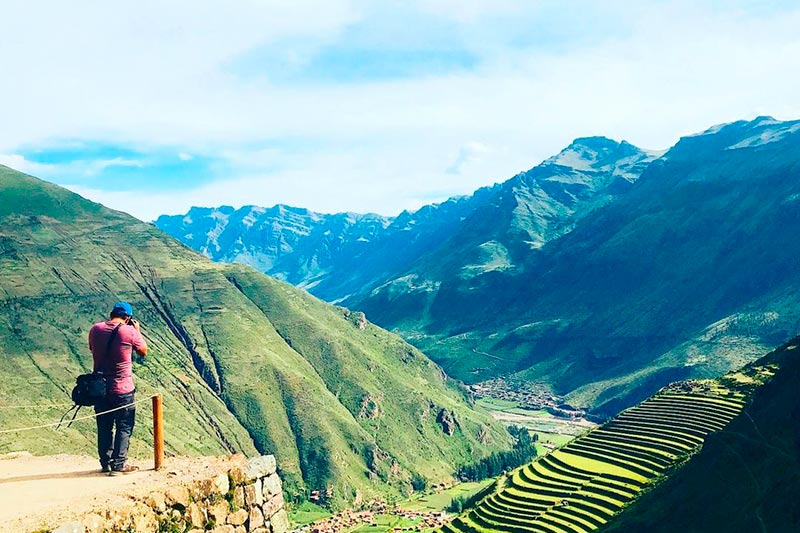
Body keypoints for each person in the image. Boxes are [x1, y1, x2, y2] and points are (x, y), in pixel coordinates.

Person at [89, 301, 148, 475]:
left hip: (100, 389)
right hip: (123, 389)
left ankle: (105, 462)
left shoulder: (95, 329)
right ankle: (119, 464)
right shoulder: (129, 332)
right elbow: (143, 351)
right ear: (128, 318)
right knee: (124, 426)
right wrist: (137, 331)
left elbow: (92, 348)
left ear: (111, 313)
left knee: (104, 425)